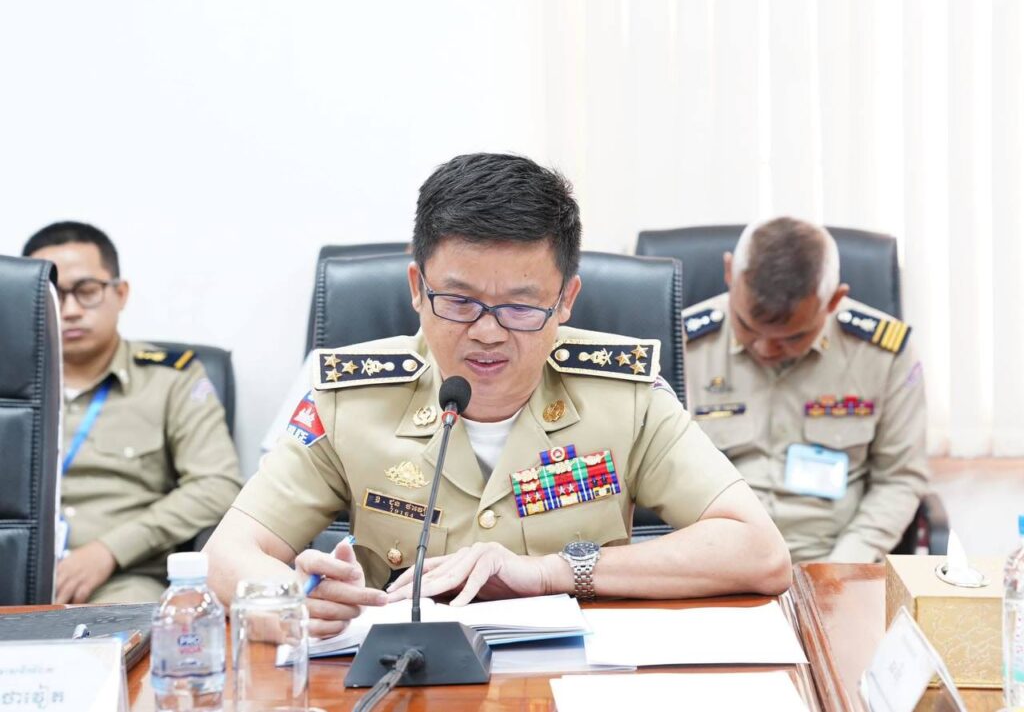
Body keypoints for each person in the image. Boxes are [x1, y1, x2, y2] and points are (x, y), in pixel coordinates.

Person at [205, 154, 790, 637]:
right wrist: (291, 600)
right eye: (459, 301)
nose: (487, 331)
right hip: (403, 678)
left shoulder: (626, 395)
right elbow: (225, 555)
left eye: (521, 306)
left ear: (566, 300)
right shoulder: (349, 398)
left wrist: (553, 572)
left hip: (575, 681)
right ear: (417, 288)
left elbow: (759, 551)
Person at [681, 217, 929, 563]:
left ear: (834, 300)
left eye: (792, 337)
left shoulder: (883, 354)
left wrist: (841, 569)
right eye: (748, 327)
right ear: (729, 273)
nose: (766, 349)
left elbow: (898, 478)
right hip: (711, 560)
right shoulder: (681, 345)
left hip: (832, 558)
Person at [23, 222, 243, 603]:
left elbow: (217, 485)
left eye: (86, 291)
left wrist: (110, 550)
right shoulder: (10, 385)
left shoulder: (172, 379)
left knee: (131, 629)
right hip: (14, 574)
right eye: (53, 296)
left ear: (120, 293)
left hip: (120, 581)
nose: (70, 310)